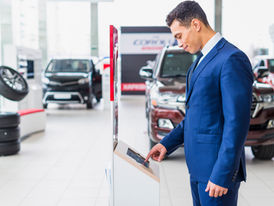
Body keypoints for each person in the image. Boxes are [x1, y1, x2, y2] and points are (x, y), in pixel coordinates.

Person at [145, 1, 253, 205]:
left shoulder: (231, 59)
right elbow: (195, 116)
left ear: (195, 24)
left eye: (179, 35)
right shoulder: (198, 62)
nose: (179, 43)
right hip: (197, 169)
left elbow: (237, 123)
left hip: (216, 174)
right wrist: (166, 144)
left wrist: (222, 174)